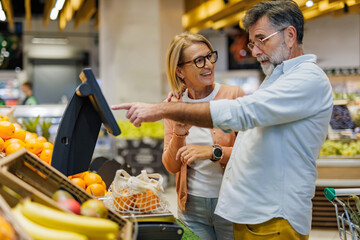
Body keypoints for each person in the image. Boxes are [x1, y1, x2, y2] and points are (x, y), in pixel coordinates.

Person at [111, 1, 333, 239]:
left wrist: (167, 112)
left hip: (272, 215)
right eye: (252, 43)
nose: (255, 51)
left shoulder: (306, 79)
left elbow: (242, 113)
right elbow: (176, 163)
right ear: (179, 71)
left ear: (290, 35)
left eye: (262, 40)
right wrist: (178, 125)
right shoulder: (277, 79)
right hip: (248, 213)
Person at [162, 32, 245, 240]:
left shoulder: (233, 96)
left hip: (232, 205)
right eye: (199, 61)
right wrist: (179, 134)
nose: (208, 65)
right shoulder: (174, 105)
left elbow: (253, 153)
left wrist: (213, 152)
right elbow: (171, 166)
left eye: (210, 56)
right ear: (179, 71)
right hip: (191, 209)